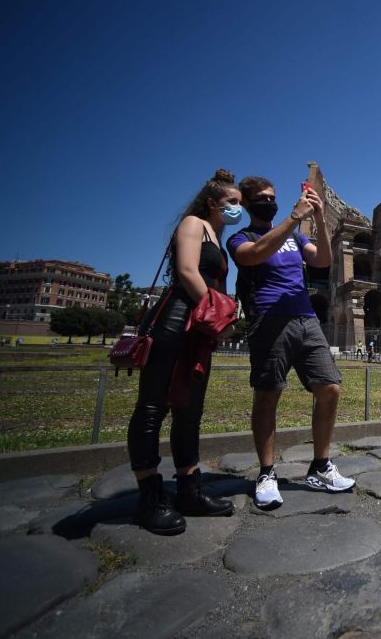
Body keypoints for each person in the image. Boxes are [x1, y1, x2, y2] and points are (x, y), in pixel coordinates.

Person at [228, 176, 354, 508]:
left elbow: (323, 261)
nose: (269, 202)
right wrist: (295, 217)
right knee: (269, 394)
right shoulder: (241, 237)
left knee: (330, 388)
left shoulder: (296, 239)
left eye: (272, 197)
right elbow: (253, 255)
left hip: (306, 318)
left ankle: (320, 466)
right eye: (262, 198)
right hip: (269, 319)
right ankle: (267, 472)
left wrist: (320, 219)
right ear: (246, 203)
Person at [126, 168, 240, 535]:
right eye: (231, 203)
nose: (238, 209)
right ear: (212, 203)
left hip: (198, 326)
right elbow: (188, 271)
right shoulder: (193, 224)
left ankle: (189, 488)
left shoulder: (218, 237)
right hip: (175, 320)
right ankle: (149, 496)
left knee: (190, 410)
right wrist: (221, 315)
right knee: (152, 407)